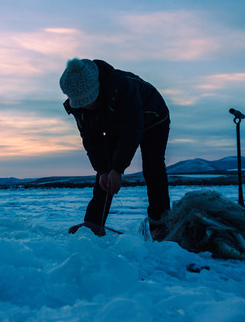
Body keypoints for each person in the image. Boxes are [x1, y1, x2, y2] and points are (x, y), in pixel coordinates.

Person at [60, 58, 171, 241]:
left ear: (97, 88)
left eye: (90, 99)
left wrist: (118, 169)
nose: (87, 106)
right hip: (116, 125)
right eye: (82, 103)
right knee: (105, 172)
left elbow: (132, 130)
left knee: (153, 169)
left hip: (153, 117)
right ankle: (94, 223)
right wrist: (104, 170)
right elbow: (91, 140)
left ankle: (161, 226)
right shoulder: (79, 108)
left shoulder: (122, 87)